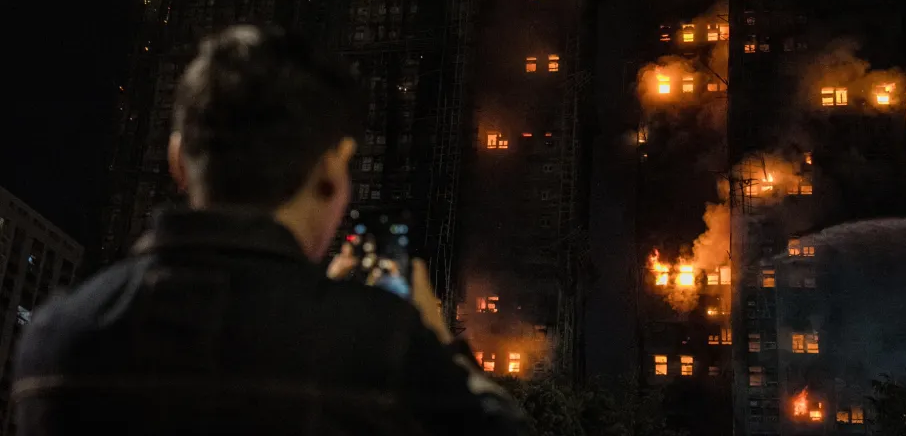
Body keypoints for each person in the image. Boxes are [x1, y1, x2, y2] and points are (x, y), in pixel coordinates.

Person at [12, 25, 527, 436]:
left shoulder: (54, 342)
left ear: (177, 161)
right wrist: (439, 340)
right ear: (332, 172)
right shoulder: (383, 343)